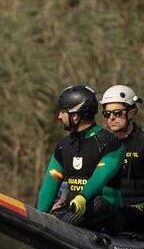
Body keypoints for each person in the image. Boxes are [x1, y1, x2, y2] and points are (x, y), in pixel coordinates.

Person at [36, 85, 125, 233]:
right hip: (74, 210)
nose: (59, 116)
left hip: (106, 214)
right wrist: (39, 216)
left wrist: (82, 198)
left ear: (75, 115)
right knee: (50, 205)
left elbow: (100, 178)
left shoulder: (110, 143)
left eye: (63, 112)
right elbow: (50, 181)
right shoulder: (64, 146)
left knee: (97, 203)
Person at [100, 85, 144, 243]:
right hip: (107, 208)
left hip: (141, 211)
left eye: (117, 113)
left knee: (106, 211)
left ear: (131, 112)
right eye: (107, 113)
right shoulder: (100, 142)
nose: (111, 118)